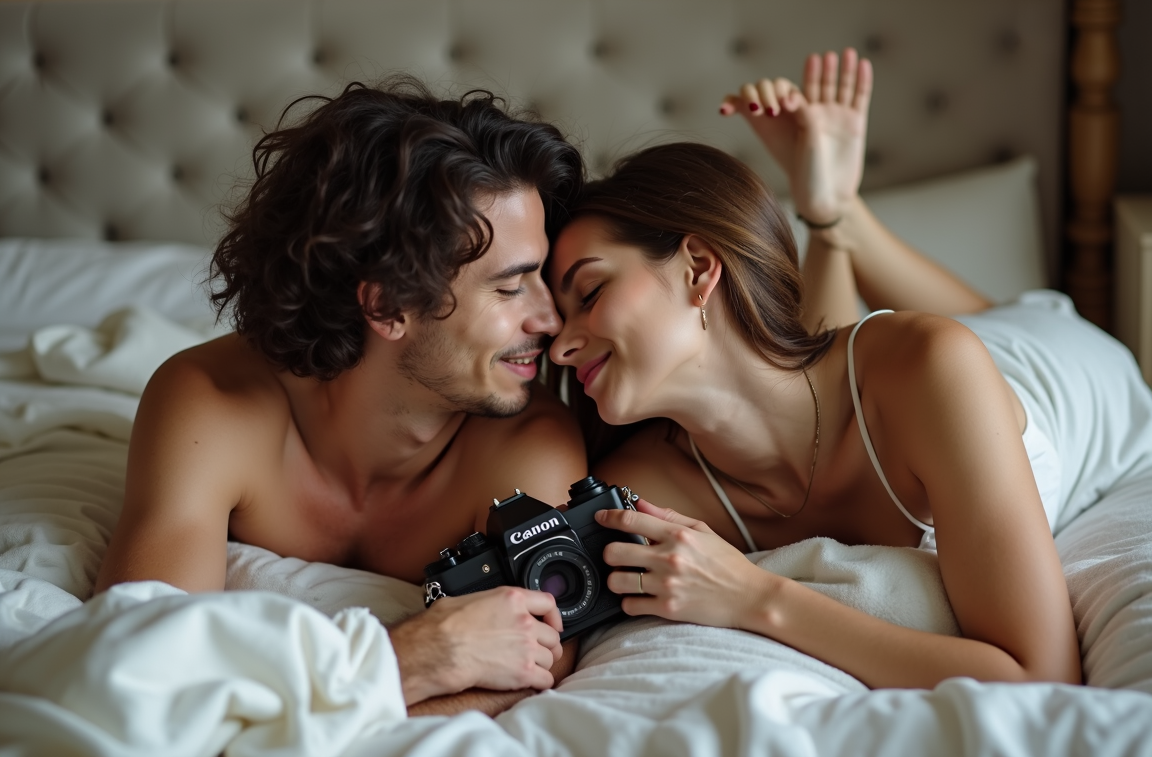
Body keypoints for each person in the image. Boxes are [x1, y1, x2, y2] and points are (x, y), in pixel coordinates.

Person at [546, 49, 1152, 688]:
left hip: (1054, 357)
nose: (561, 348)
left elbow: (1040, 674)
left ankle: (837, 212)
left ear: (697, 268)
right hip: (837, 371)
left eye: (588, 295)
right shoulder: (640, 483)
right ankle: (830, 213)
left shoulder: (932, 369)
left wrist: (755, 598)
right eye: (555, 325)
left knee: (923, 339)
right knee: (804, 356)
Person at [95, 79, 589, 715]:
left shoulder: (527, 446)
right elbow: (136, 650)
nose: (551, 322)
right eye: (510, 288)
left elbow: (534, 662)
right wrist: (403, 659)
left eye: (541, 278)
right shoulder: (210, 404)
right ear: (386, 303)